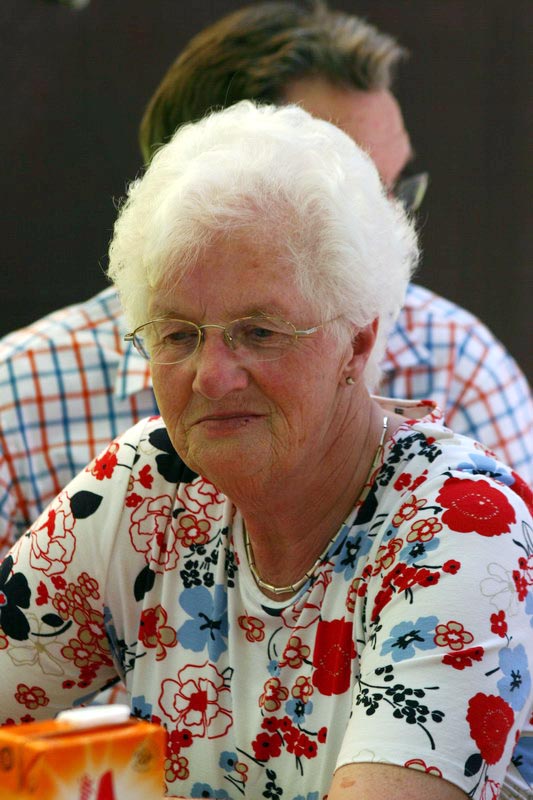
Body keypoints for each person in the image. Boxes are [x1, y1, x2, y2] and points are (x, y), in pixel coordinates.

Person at [1, 101, 532, 800]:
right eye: (177, 334)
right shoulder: (146, 485)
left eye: (259, 332)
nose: (212, 376)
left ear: (357, 345)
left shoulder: (461, 526)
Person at [1, 0, 532, 555]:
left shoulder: (459, 366)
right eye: (344, 191)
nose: (392, 230)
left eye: (394, 190)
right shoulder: (18, 399)